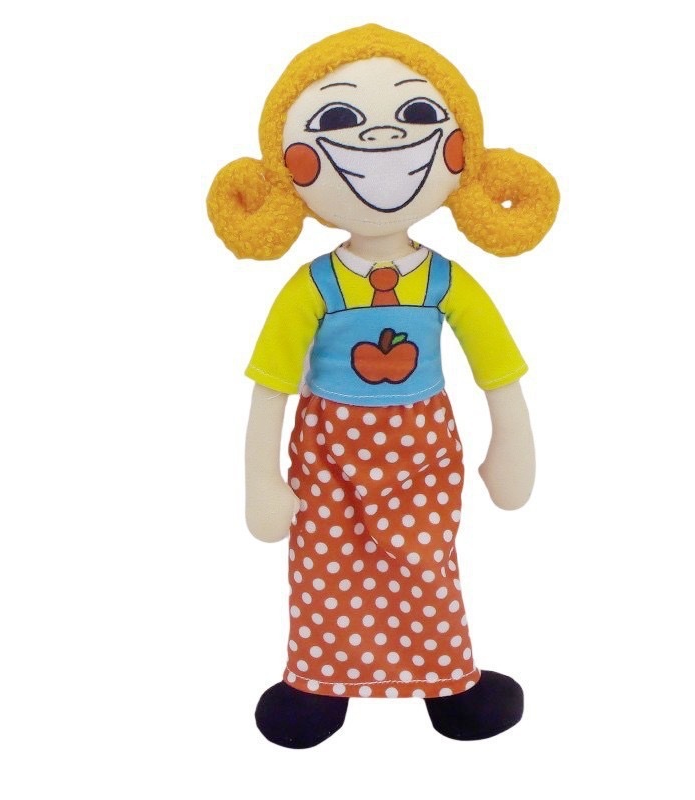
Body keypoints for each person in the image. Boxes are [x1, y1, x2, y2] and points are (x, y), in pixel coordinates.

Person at [207, 24, 559, 748]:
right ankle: (318, 680)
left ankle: (446, 679)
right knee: (323, 564)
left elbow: (496, 366)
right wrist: (262, 479)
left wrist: (510, 440)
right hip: (328, 453)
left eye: (418, 114)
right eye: (338, 118)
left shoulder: (445, 282)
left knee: (428, 560)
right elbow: (271, 384)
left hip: (422, 452)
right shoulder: (313, 287)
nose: (380, 137)